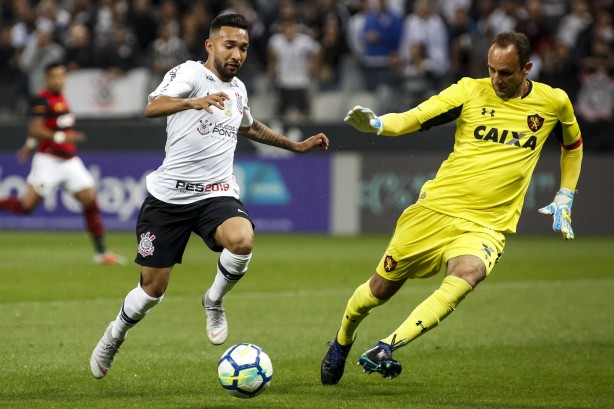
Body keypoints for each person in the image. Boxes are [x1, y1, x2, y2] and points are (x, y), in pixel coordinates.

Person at [320, 31, 583, 384]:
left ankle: (387, 346)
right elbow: (416, 117)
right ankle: (342, 339)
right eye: (491, 70)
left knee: (469, 273)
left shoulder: (554, 102)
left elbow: (573, 146)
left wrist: (566, 193)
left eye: (505, 72)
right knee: (377, 292)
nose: (496, 79)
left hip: (486, 225)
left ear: (527, 68)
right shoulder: (469, 91)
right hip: (435, 212)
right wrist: (379, 124)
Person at [89, 13, 329, 379]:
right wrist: (191, 102)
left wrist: (293, 145)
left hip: (215, 196)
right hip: (168, 199)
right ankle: (114, 334)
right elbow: (153, 106)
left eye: (243, 48)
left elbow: (249, 126)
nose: (236, 54)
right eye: (229, 45)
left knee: (243, 239)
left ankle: (213, 300)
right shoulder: (190, 74)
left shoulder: (238, 90)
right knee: (152, 291)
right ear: (211, 45)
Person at [0, 62, 125, 266]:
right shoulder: (43, 99)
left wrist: (29, 145)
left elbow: (42, 129)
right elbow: (36, 128)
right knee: (26, 206)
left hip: (69, 161)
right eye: (55, 76)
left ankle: (102, 253)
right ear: (47, 79)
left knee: (90, 199)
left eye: (62, 76)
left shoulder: (61, 98)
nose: (59, 80)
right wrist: (59, 138)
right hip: (48, 160)